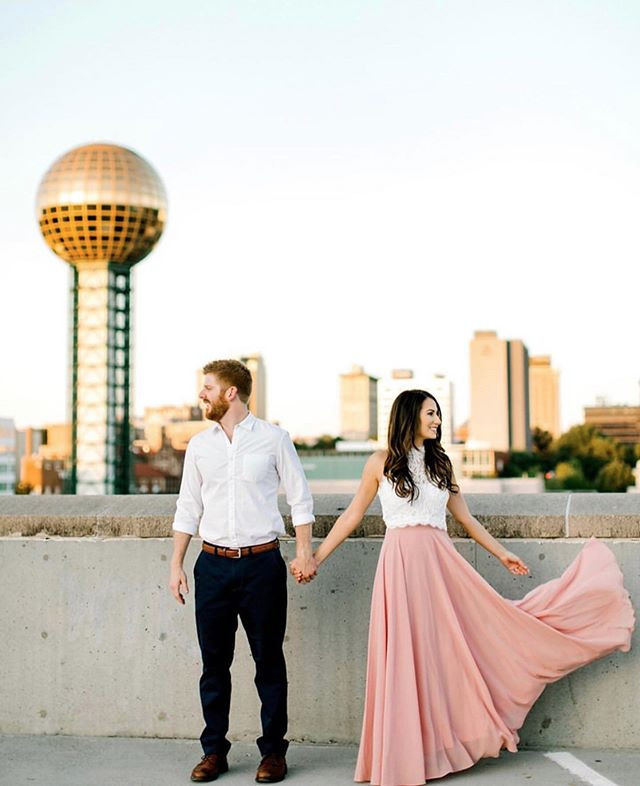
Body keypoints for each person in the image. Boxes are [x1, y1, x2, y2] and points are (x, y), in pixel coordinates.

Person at [291, 389, 634, 786]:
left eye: (438, 414)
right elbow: (351, 516)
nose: (438, 421)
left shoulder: (441, 463)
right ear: (409, 416)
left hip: (441, 565)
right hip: (399, 567)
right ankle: (405, 755)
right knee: (405, 656)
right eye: (431, 414)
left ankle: (442, 746)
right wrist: (315, 557)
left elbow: (466, 519)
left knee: (453, 649)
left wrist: (501, 553)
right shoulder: (380, 463)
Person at [170, 359, 317, 784]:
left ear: (230, 392)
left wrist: (305, 553)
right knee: (213, 664)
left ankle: (273, 753)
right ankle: (213, 751)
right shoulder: (200, 446)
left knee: (268, 661)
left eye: (208, 387)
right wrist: (176, 564)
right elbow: (187, 507)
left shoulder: (274, 440)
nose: (202, 394)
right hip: (212, 566)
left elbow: (301, 501)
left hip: (262, 566)